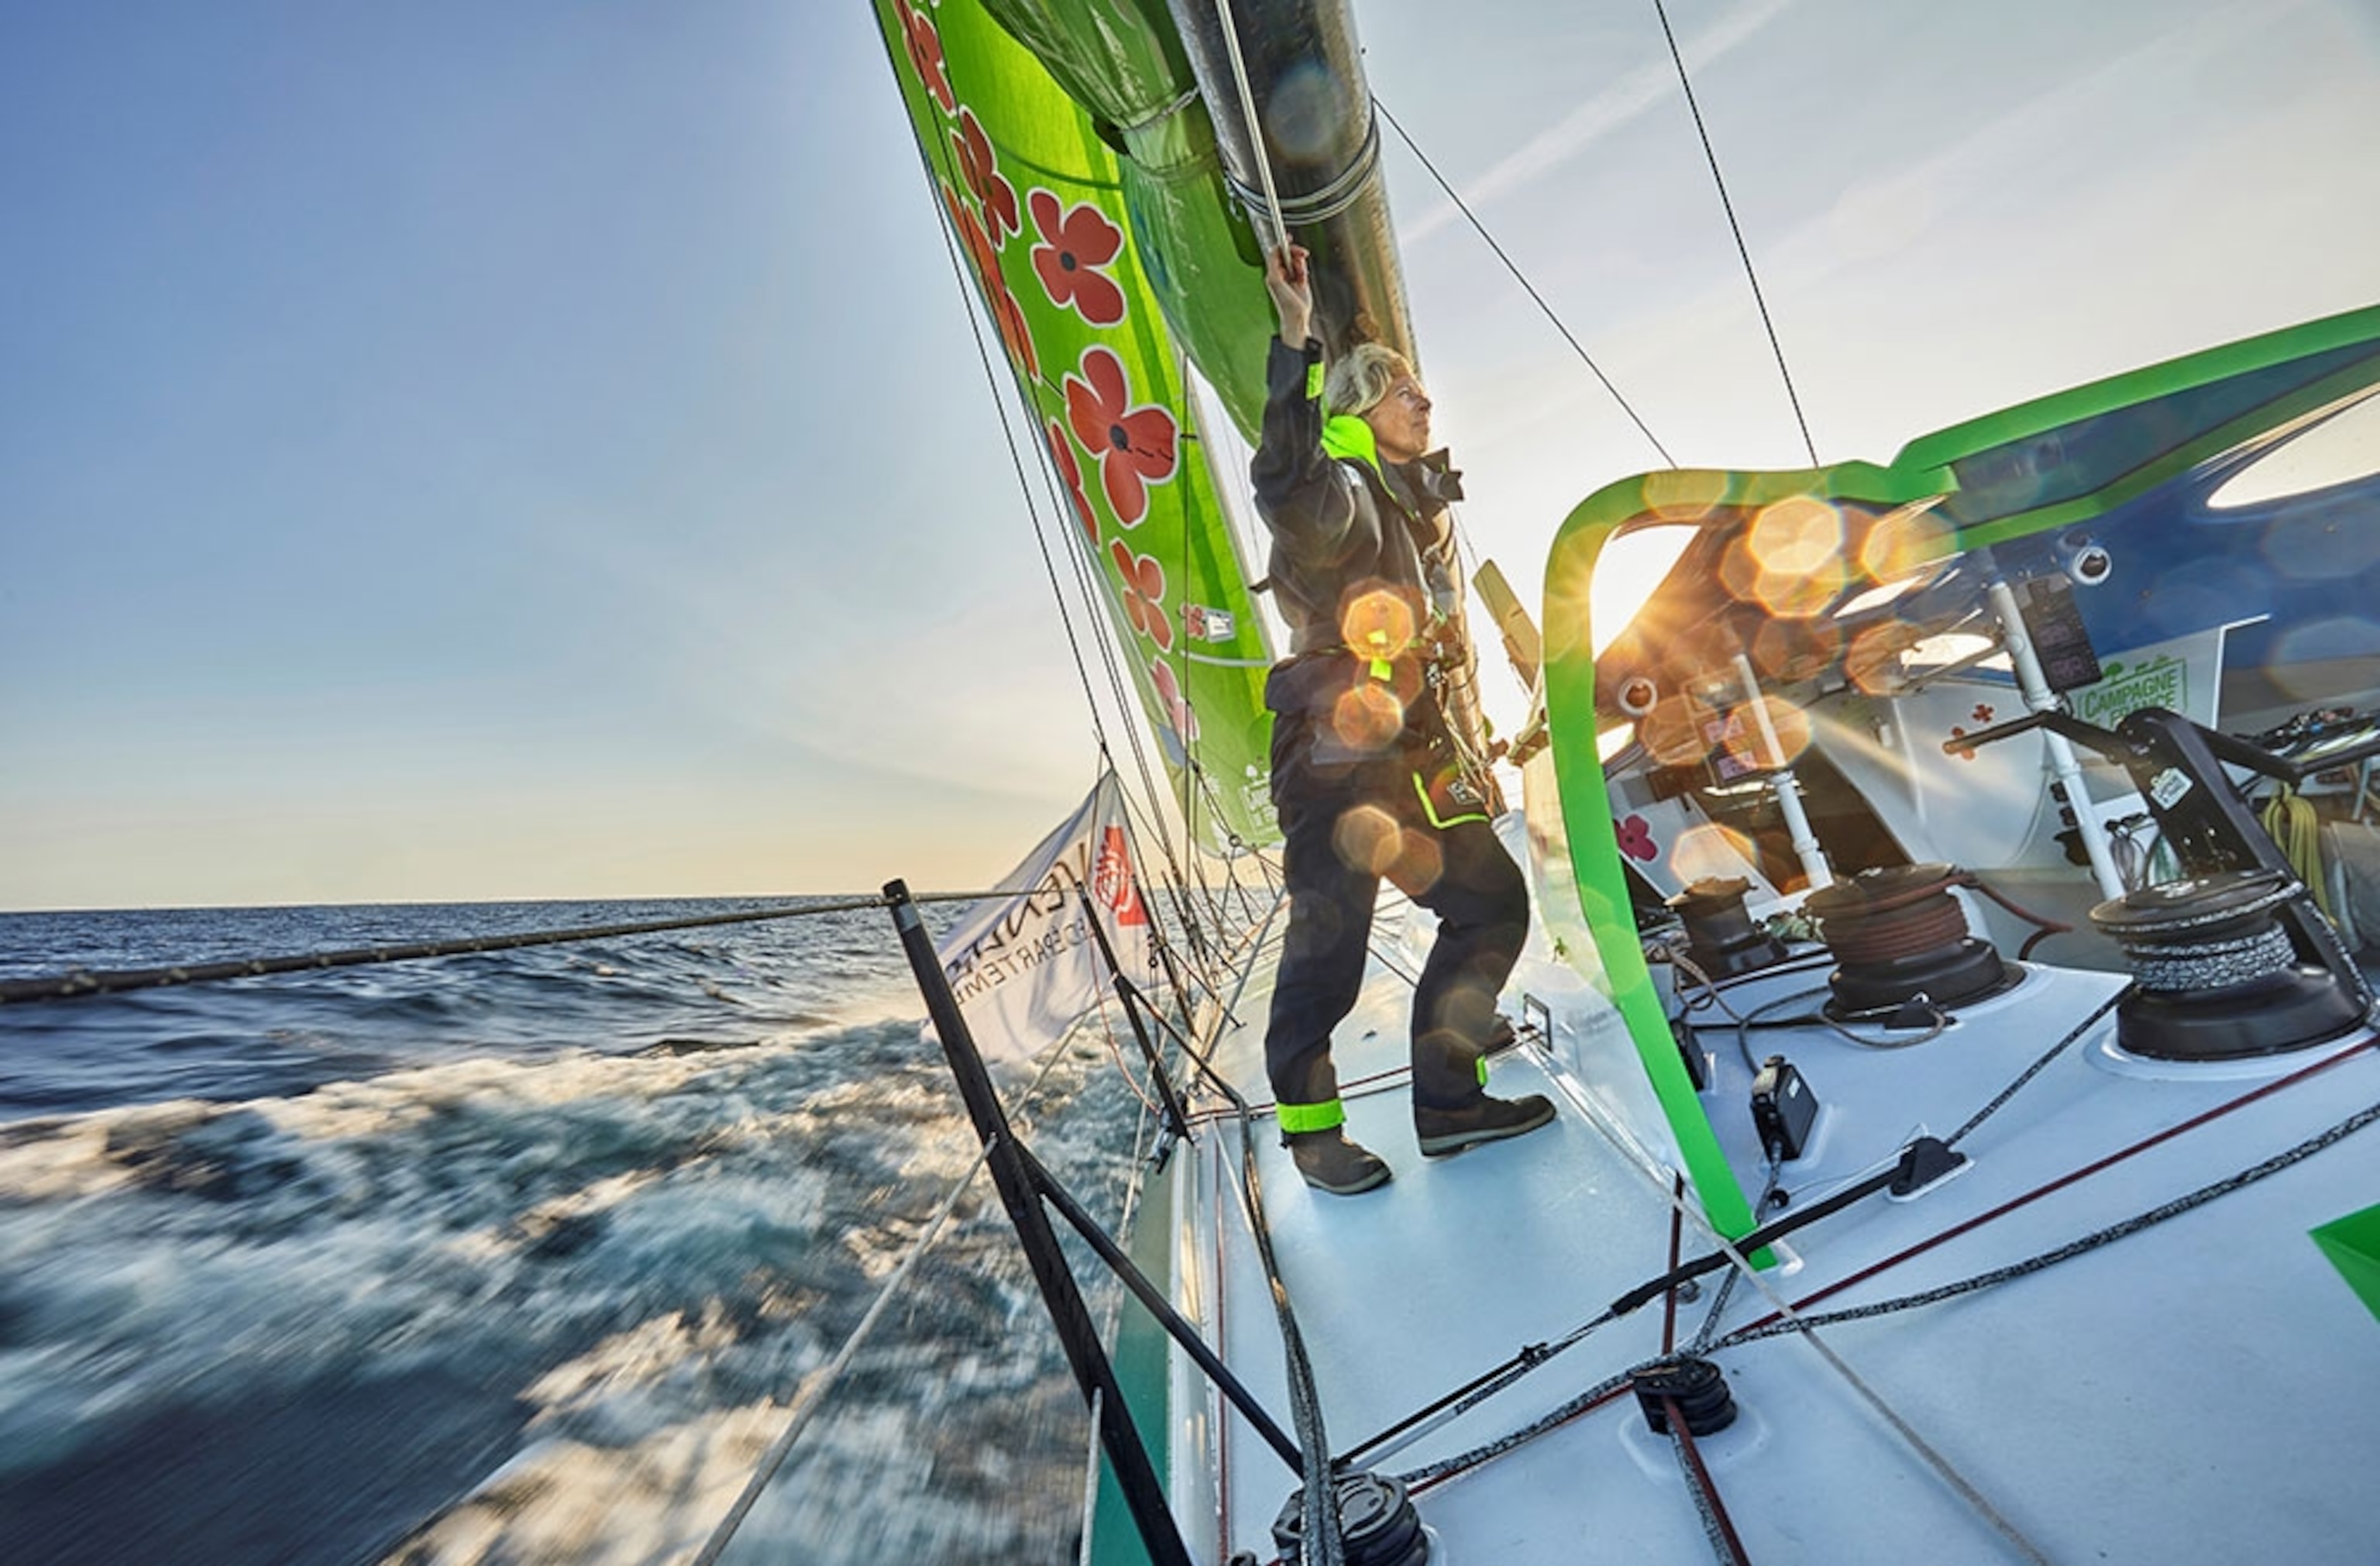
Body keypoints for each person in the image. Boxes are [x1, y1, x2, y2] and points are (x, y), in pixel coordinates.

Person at [1251, 243, 1554, 1196]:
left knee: (1491, 904)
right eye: (1404, 391)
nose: (1425, 403)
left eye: (1423, 390)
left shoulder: (1406, 506)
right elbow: (1286, 482)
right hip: (1336, 758)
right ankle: (1311, 1136)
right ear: (1361, 405)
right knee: (1329, 953)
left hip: (1408, 757)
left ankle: (1450, 1104)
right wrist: (1296, 337)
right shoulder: (1340, 487)